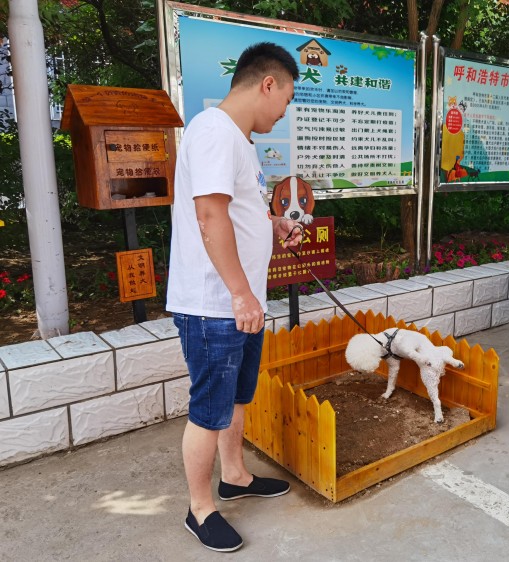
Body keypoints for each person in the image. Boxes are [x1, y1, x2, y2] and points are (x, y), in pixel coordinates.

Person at [166, 42, 302, 553]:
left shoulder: (238, 141)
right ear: (267, 84)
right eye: (286, 98)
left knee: (237, 397)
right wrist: (242, 295)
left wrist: (273, 225)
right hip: (215, 305)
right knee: (209, 408)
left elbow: (236, 211)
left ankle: (235, 477)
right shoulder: (213, 133)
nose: (284, 110)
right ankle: (200, 510)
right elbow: (209, 216)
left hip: (240, 303)